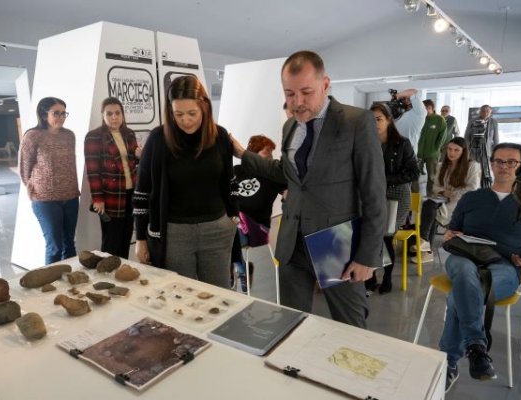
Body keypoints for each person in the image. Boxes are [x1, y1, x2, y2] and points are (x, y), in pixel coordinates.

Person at [229, 51, 386, 328]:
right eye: (289, 94)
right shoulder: (291, 125)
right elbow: (288, 175)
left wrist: (367, 257)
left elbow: (373, 193)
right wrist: (243, 154)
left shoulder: (356, 121)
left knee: (352, 329)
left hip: (336, 245)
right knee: (291, 325)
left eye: (306, 92)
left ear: (325, 84)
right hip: (292, 242)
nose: (297, 102)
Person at [133, 75, 238, 289]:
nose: (185, 120)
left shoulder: (220, 136)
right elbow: (142, 194)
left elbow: (230, 181)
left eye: (192, 113)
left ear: (205, 108)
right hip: (174, 234)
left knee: (220, 297)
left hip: (217, 230)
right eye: (178, 114)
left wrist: (234, 216)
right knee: (180, 299)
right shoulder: (158, 139)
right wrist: (141, 239)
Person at [441, 143, 521, 393]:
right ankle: (476, 347)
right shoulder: (472, 198)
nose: (504, 167)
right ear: (491, 163)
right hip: (464, 257)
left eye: (511, 162)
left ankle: (451, 360)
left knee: (461, 293)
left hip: (504, 265)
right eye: (499, 161)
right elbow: (453, 229)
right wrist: (450, 234)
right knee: (465, 276)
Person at [365, 103, 419, 294]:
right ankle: (370, 278)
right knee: (369, 235)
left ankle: (386, 279)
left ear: (389, 119)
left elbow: (414, 171)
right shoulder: (366, 141)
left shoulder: (402, 143)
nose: (375, 123)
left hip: (395, 195)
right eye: (371, 120)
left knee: (386, 238)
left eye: (378, 119)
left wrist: (384, 180)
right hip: (372, 195)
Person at [19, 97, 80, 265]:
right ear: (44, 114)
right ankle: (51, 287)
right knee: (55, 247)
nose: (61, 117)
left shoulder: (69, 136)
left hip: (71, 198)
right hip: (45, 200)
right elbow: (25, 169)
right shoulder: (32, 136)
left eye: (63, 113)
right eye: (56, 113)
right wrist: (37, 188)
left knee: (70, 245)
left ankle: (71, 283)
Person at [84, 97, 141, 259]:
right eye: (109, 114)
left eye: (117, 113)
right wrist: (97, 199)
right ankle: (107, 277)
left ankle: (123, 271)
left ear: (122, 114)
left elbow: (130, 160)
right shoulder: (94, 136)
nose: (114, 117)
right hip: (111, 196)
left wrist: (138, 154)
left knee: (126, 238)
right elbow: (93, 171)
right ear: (103, 115)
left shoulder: (129, 134)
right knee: (111, 241)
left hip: (131, 193)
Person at [231, 135, 287, 293]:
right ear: (253, 153)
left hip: (258, 226)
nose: (270, 157)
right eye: (267, 152)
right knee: (228, 224)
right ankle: (240, 267)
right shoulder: (237, 171)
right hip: (236, 225)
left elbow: (290, 191)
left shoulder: (272, 176)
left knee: (234, 223)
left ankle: (238, 268)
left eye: (271, 154)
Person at [411, 137, 480, 263]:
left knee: (431, 211)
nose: (452, 153)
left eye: (456, 150)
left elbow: (473, 188)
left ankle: (426, 246)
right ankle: (425, 243)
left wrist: (453, 194)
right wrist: (444, 192)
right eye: (449, 149)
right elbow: (435, 186)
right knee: (429, 205)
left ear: (463, 151)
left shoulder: (472, 166)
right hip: (442, 199)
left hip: (461, 201)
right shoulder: (441, 165)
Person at [394, 89, 426, 193]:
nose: (406, 100)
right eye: (404, 98)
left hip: (409, 155)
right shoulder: (400, 113)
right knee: (395, 185)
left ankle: (412, 208)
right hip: (394, 154)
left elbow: (414, 92)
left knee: (409, 187)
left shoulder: (420, 112)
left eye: (408, 98)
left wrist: (397, 95)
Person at [417, 99, 447, 196]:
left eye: (427, 108)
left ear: (432, 108)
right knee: (414, 176)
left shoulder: (439, 120)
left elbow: (442, 136)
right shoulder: (420, 118)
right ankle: (415, 196)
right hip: (418, 153)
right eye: (423, 108)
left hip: (432, 154)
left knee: (432, 177)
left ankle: (430, 196)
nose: (425, 110)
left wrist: (436, 148)